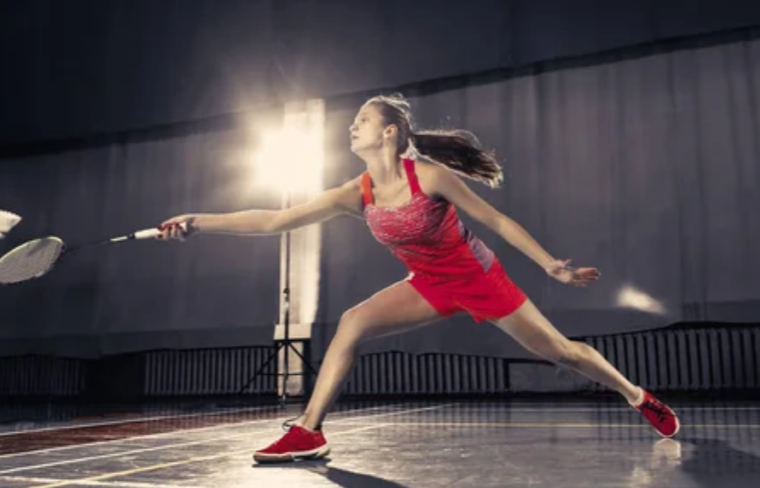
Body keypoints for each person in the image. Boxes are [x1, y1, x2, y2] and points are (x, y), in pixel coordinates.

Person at [158, 94, 680, 462]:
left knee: (562, 353)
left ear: (389, 132)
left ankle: (637, 395)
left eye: (362, 119)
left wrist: (548, 264)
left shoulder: (428, 177)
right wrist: (198, 221)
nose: (351, 126)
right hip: (427, 284)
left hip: (480, 279)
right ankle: (307, 432)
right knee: (353, 322)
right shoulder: (356, 192)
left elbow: (494, 221)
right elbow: (273, 220)